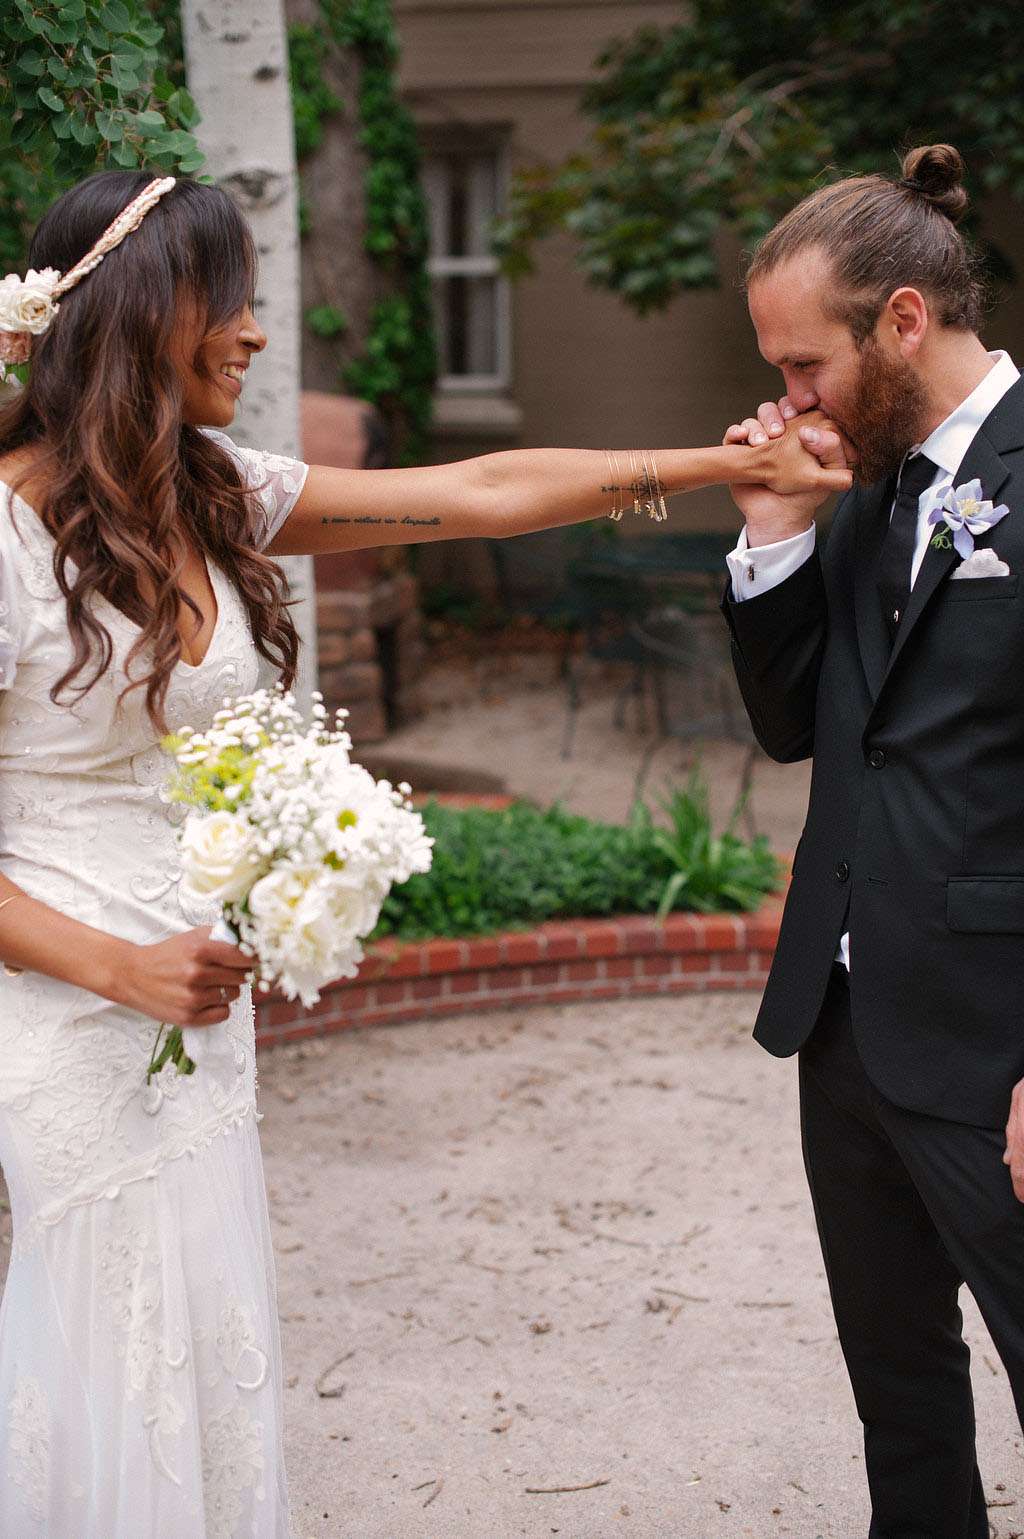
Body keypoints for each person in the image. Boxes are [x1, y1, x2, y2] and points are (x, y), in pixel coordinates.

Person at [0, 169, 847, 1536]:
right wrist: (116, 968)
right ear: (149, 309)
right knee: (109, 1330)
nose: (256, 332)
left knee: (201, 1330)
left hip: (195, 1003)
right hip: (71, 1008)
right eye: (233, 300)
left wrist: (726, 466)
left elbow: (483, 490)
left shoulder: (210, 493)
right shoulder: (2, 532)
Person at [720, 142, 1024, 1536]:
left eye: (805, 366)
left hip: (994, 1037)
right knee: (899, 1397)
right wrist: (778, 529)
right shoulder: (869, 481)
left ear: (904, 320)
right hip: (842, 1025)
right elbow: (800, 727)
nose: (789, 399)